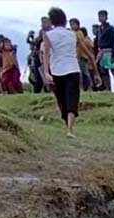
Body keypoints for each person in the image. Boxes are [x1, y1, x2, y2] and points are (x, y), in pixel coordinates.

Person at [42, 7, 97, 138]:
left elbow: (46, 54)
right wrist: (96, 72)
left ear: (52, 21)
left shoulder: (48, 35)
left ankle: (68, 126)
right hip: (73, 69)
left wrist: (46, 72)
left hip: (56, 70)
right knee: (72, 98)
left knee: (61, 100)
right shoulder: (73, 34)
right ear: (65, 20)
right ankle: (70, 129)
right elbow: (89, 55)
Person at [95, 10, 114, 93]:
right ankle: (107, 88)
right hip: (101, 50)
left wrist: (113, 55)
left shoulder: (111, 29)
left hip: (109, 50)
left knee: (112, 70)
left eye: (102, 16)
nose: (101, 18)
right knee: (103, 71)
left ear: (106, 17)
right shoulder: (99, 29)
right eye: (99, 16)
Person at [69, 18, 92, 91]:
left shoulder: (79, 33)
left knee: (83, 73)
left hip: (81, 55)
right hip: (77, 55)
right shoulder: (74, 33)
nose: (72, 26)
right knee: (80, 73)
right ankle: (83, 87)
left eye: (73, 24)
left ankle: (88, 87)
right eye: (71, 25)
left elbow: (79, 44)